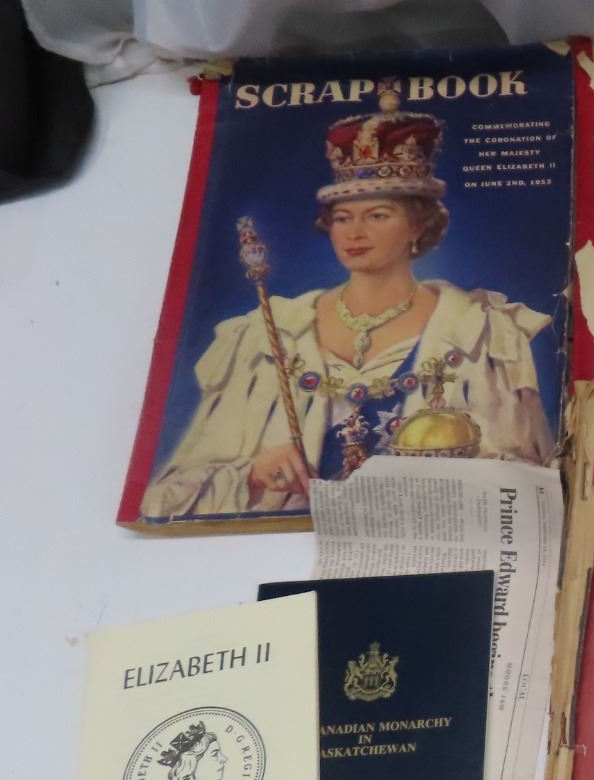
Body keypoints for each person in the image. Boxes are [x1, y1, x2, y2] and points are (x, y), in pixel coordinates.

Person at [140, 80, 555, 519]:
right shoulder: (268, 334)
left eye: (377, 215)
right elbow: (166, 498)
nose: (355, 233)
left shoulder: (480, 333)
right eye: (342, 218)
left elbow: (526, 486)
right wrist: (254, 473)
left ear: (418, 225)